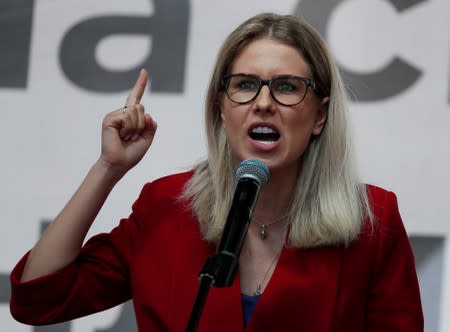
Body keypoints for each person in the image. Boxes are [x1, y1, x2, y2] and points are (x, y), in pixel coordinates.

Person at [10, 13, 423, 331]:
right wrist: (107, 168)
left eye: (286, 87)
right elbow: (39, 299)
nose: (263, 103)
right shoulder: (166, 207)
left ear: (320, 116)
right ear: (220, 108)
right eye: (244, 85)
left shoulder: (373, 220)